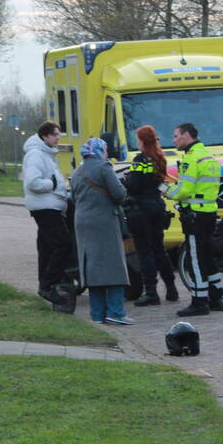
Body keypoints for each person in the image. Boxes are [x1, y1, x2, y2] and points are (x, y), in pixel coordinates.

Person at [70, 137, 132, 325]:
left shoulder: (78, 171)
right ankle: (116, 312)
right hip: (104, 222)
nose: (106, 153)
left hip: (82, 222)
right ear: (100, 151)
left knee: (92, 269)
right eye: (104, 150)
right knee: (114, 267)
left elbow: (73, 197)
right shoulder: (104, 167)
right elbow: (119, 194)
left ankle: (97, 314)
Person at [167, 122, 223, 316]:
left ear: (186, 136)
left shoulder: (191, 159)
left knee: (195, 258)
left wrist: (167, 191)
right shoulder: (207, 156)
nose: (174, 140)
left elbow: (184, 190)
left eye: (176, 136)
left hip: (194, 215)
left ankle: (199, 301)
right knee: (208, 256)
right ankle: (217, 297)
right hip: (209, 211)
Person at [22, 121, 75, 313]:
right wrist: (52, 184)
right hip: (45, 207)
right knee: (62, 244)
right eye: (55, 135)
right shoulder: (36, 155)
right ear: (45, 136)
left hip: (49, 205)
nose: (58, 138)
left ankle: (45, 284)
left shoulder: (45, 154)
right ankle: (49, 284)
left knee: (46, 245)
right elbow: (33, 182)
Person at [126, 124, 179, 306]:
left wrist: (128, 178)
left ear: (141, 140)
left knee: (144, 251)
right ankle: (171, 289)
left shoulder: (140, 160)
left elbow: (135, 186)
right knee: (159, 249)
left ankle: (151, 292)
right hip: (157, 206)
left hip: (142, 209)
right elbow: (158, 182)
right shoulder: (159, 157)